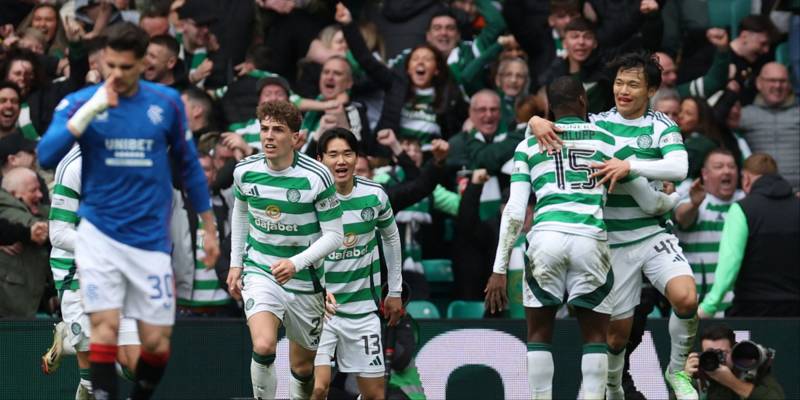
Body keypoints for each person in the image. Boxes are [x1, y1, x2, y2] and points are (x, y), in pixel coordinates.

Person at [36, 22, 218, 400]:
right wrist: (91, 110)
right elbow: (46, 154)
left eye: (126, 67)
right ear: (103, 61)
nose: (117, 75)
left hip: (148, 242)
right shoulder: (82, 102)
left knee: (155, 346)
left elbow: (188, 165)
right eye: (111, 66)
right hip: (100, 239)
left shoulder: (165, 103)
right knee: (103, 331)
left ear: (143, 65)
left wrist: (209, 226)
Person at [487, 76, 678, 399]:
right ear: (583, 101)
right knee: (595, 339)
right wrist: (672, 199)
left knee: (538, 334)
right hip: (590, 239)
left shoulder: (528, 145)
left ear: (549, 106)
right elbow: (648, 200)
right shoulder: (608, 140)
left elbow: (515, 211)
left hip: (545, 238)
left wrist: (499, 269)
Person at [528, 52, 699, 400]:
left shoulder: (661, 125)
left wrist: (630, 166)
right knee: (616, 339)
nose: (623, 90)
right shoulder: (599, 123)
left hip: (652, 232)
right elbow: (554, 129)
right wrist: (535, 121)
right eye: (620, 83)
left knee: (686, 298)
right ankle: (613, 388)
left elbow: (679, 168)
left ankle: (678, 371)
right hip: (611, 240)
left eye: (633, 84)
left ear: (651, 90)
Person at [225, 100, 344, 400]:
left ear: (295, 137)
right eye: (264, 129)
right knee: (263, 345)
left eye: (277, 130)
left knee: (302, 369)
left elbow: (335, 235)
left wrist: (296, 263)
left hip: (305, 280)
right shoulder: (245, 171)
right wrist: (236, 263)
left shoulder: (317, 176)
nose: (269, 136)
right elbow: (241, 212)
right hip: (261, 270)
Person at [40, 145, 141, 400]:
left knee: (136, 365)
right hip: (77, 270)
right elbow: (58, 234)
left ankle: (69, 341)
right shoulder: (75, 165)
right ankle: (77, 340)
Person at [312, 128, 404, 400]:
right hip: (320, 311)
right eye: (333, 154)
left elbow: (391, 238)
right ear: (320, 160)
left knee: (375, 395)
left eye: (347, 154)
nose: (341, 161)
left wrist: (395, 291)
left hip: (362, 311)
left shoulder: (374, 195)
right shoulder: (310, 199)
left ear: (356, 158)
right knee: (317, 388)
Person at [699, 153, 800, 317]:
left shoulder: (742, 209)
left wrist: (710, 306)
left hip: (752, 311)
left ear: (746, 179)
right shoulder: (797, 205)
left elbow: (730, 261)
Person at [674, 150, 745, 317]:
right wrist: (694, 204)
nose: (727, 171)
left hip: (740, 307)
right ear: (705, 174)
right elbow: (681, 217)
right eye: (719, 167)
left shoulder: (747, 201)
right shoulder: (695, 200)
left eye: (731, 166)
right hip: (700, 307)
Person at [738, 62, 800, 191]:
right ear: (759, 83)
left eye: (782, 81)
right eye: (771, 80)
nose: (777, 86)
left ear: (789, 84)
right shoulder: (743, 115)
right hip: (759, 192)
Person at [0, 166, 50, 318]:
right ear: (13, 194)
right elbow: (38, 229)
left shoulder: (35, 209)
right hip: (9, 308)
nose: (40, 195)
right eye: (33, 190)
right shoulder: (6, 208)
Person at [684, 325, 785, 399]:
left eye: (722, 353)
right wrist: (683, 380)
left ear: (733, 352)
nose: (716, 358)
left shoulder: (748, 370)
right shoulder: (698, 373)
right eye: (710, 353)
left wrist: (732, 382)